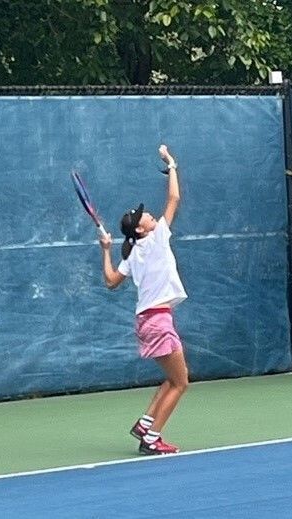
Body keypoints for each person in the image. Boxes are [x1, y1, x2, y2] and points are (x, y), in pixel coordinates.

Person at [99, 145, 188, 455]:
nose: (149, 214)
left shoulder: (132, 253)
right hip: (158, 321)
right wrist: (171, 164)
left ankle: (146, 422)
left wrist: (105, 249)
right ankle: (152, 438)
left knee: (172, 378)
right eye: (143, 216)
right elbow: (174, 199)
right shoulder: (157, 236)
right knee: (181, 383)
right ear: (141, 228)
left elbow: (111, 282)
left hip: (147, 321)